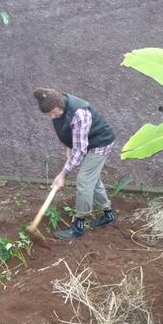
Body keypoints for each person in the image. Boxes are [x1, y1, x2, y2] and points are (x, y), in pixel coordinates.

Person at [33, 87, 117, 239]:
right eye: (48, 115)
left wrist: (62, 174)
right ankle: (108, 214)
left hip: (100, 143)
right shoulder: (57, 107)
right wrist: (68, 149)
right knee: (92, 178)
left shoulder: (79, 113)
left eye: (53, 113)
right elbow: (69, 133)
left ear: (60, 106)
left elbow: (80, 150)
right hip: (87, 143)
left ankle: (79, 226)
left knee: (84, 180)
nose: (52, 117)